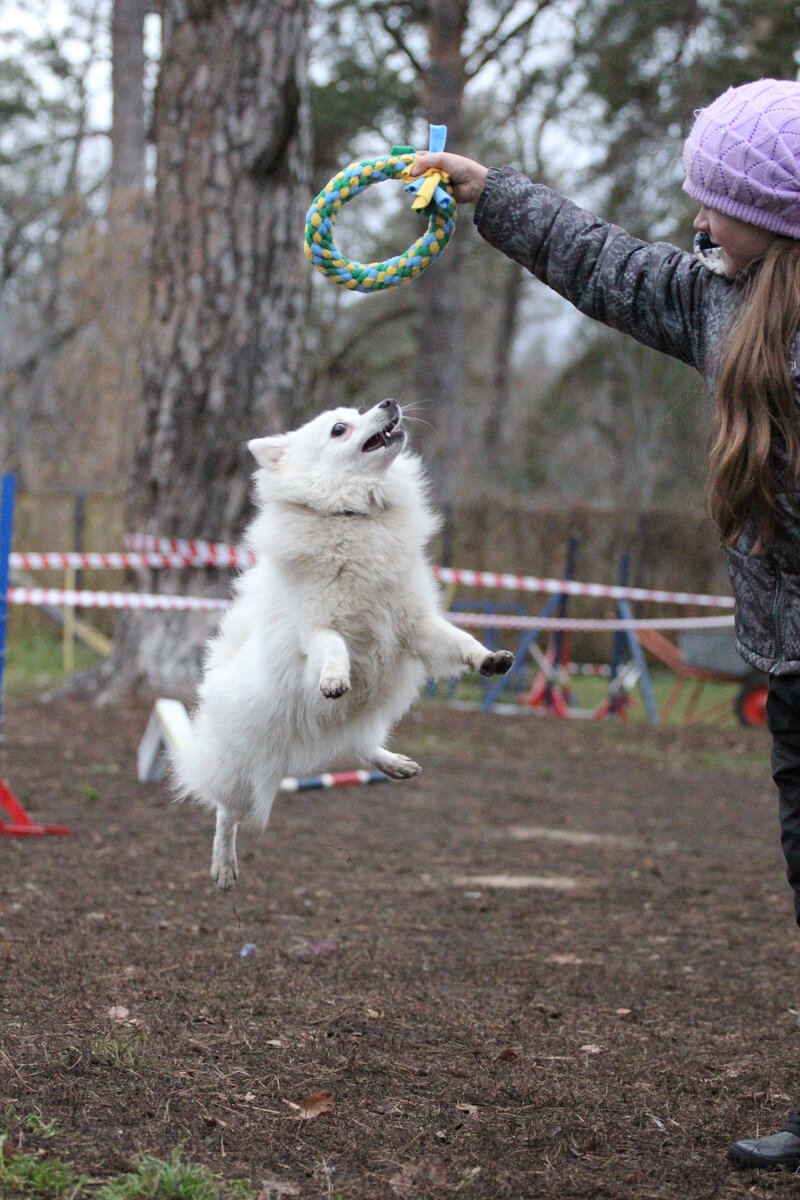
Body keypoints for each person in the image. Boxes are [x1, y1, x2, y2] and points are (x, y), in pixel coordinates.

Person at [414, 77, 800, 1171]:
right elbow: (605, 263)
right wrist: (490, 196)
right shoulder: (716, 298)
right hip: (791, 666)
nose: (696, 222)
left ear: (772, 215)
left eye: (714, 205)